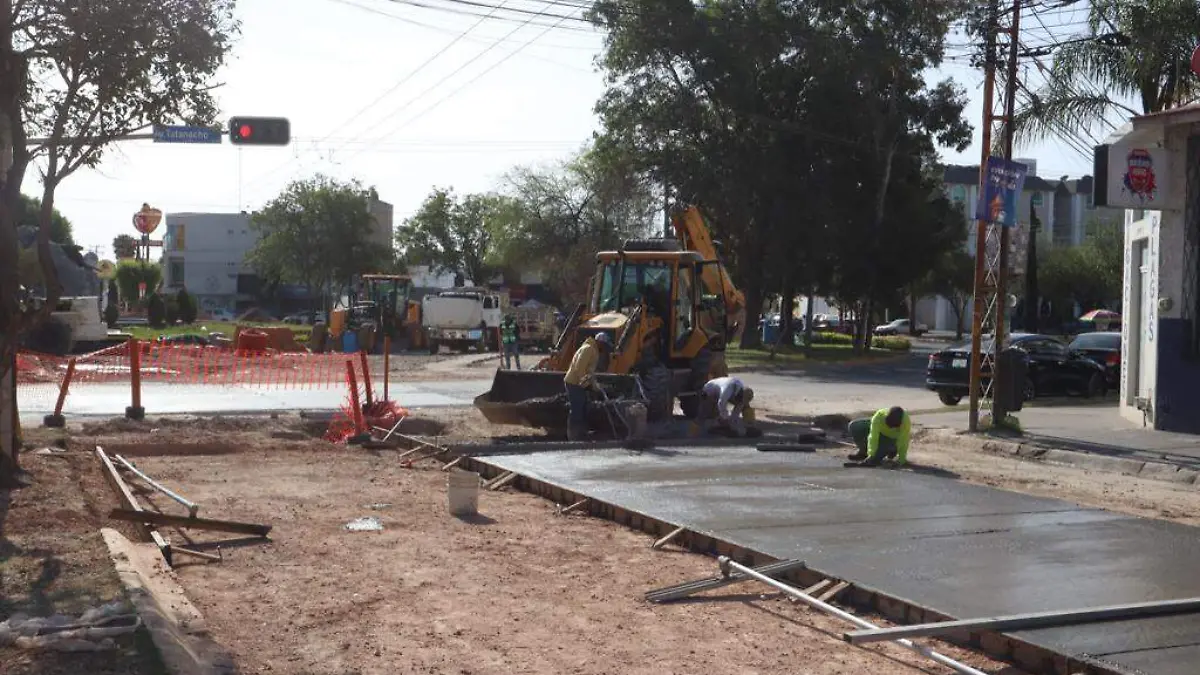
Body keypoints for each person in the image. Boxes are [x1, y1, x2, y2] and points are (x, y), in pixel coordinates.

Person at [563, 332, 612, 441]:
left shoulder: (592, 350)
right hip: (574, 383)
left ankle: (581, 432)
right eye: (604, 345)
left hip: (579, 383)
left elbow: (589, 372)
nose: (605, 349)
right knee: (577, 408)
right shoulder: (588, 349)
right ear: (600, 342)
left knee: (584, 407)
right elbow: (579, 367)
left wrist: (594, 386)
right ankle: (574, 435)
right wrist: (585, 384)